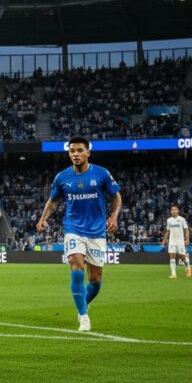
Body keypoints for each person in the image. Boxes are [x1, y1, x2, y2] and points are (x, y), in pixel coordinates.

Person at [36, 136, 122, 332]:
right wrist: (43, 218)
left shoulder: (101, 173)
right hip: (73, 228)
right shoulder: (62, 177)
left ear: (88, 153)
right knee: (76, 266)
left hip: (97, 231)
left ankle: (83, 303)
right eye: (72, 151)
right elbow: (53, 201)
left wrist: (114, 216)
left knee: (95, 280)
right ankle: (83, 316)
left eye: (80, 150)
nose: (75, 154)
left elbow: (116, 196)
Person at [162, 205, 192, 279]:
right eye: (172, 210)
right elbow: (168, 231)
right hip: (172, 241)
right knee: (172, 256)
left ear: (178, 211)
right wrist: (164, 240)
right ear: (171, 211)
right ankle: (173, 274)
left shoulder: (182, 219)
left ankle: (187, 268)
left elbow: (186, 229)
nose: (174, 211)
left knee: (182, 257)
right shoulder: (169, 220)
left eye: (175, 209)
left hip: (180, 241)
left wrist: (187, 238)